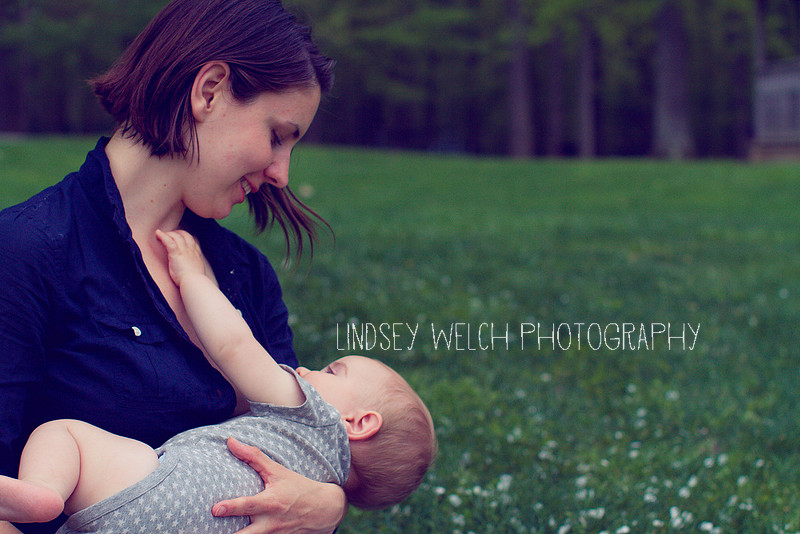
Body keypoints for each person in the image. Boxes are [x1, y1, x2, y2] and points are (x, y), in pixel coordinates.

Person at [0, 0, 352, 532]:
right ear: (208, 90)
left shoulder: (246, 276)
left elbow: (294, 445)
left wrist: (328, 503)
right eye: (277, 136)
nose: (282, 173)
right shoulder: (27, 250)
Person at [0, 229, 436, 532]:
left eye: (331, 371)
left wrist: (195, 277)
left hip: (157, 492)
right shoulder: (309, 505)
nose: (307, 370)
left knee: (66, 436)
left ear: (359, 422)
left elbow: (233, 345)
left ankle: (39, 495)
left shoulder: (313, 416)